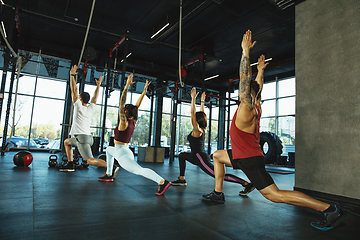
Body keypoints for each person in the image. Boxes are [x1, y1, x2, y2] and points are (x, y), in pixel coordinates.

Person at [203, 30, 347, 231]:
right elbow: (257, 88)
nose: (239, 91)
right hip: (243, 153)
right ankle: (218, 193)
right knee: (217, 156)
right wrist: (260, 71)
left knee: (275, 195)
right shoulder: (256, 104)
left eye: (242, 90)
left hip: (249, 159)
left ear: (245, 94)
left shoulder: (246, 108)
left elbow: (244, 78)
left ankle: (330, 209)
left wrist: (245, 51)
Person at [171, 88, 255, 196]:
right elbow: (200, 114)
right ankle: (181, 179)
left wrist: (192, 99)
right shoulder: (202, 128)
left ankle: (246, 184)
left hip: (200, 158)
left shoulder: (197, 130)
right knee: (182, 155)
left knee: (218, 175)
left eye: (195, 118)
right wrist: (201, 102)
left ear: (196, 121)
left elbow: (193, 114)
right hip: (195, 156)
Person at [98, 73, 171, 196]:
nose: (122, 109)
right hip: (122, 150)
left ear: (125, 112)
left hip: (122, 154)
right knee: (109, 150)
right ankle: (109, 173)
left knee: (138, 170)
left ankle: (162, 181)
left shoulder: (124, 123)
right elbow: (137, 106)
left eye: (124, 109)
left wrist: (126, 86)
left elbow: (122, 102)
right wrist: (143, 91)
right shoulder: (133, 121)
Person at [61, 65, 112, 172]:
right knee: (67, 142)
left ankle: (112, 167)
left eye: (78, 96)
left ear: (80, 98)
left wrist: (72, 76)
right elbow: (95, 97)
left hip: (82, 138)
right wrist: (98, 85)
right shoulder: (91, 107)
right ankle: (70, 164)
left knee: (90, 160)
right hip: (86, 137)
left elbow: (74, 90)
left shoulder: (78, 106)